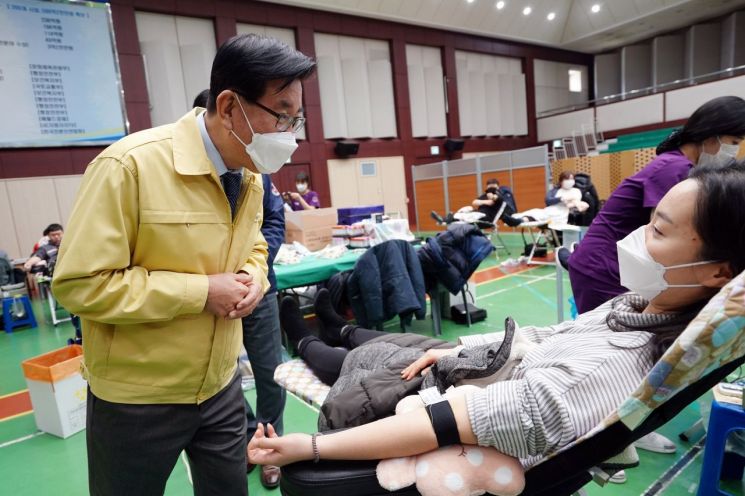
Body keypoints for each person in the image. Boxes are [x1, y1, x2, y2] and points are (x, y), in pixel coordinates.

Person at [248, 164, 745, 473]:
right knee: (409, 345)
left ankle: (305, 337)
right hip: (489, 365)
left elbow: (441, 423)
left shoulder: (602, 371)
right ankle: (333, 325)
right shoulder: (636, 309)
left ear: (719, 271)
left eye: (657, 229)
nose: (637, 236)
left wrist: (309, 447)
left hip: (462, 392)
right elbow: (543, 332)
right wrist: (456, 350)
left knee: (357, 360)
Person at [53, 34, 315, 496]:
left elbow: (253, 243)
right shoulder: (129, 168)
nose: (291, 132)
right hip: (137, 399)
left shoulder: (249, 173)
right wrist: (201, 292)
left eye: (297, 118)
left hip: (220, 386)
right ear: (230, 106)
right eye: (282, 115)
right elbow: (80, 284)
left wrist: (253, 276)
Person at [566, 95, 745, 314]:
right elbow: (660, 236)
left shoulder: (677, 165)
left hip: (608, 259)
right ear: (711, 135)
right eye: (734, 142)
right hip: (602, 265)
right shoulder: (674, 169)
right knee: (611, 338)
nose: (735, 151)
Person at [193, 88, 288, 487]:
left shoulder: (258, 172)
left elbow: (273, 226)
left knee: (270, 373)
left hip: (258, 292)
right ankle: (249, 434)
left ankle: (271, 448)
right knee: (223, 377)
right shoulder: (187, 176)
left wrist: (252, 274)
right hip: (211, 300)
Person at [431, 178, 523, 228]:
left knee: (469, 215)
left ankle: (447, 219)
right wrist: (486, 201)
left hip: (486, 219)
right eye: (489, 188)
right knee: (467, 209)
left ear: (497, 187)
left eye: (494, 188)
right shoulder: (484, 195)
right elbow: (474, 202)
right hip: (478, 215)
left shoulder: (500, 196)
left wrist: (492, 196)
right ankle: (445, 219)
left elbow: (495, 199)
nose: (491, 190)